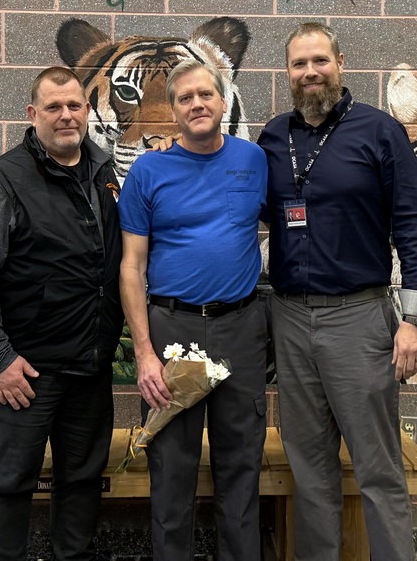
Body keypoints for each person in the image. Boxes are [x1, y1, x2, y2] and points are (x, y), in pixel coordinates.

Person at [258, 22, 417, 561]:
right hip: (289, 319)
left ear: (340, 62)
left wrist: (415, 321)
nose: (310, 72)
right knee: (309, 469)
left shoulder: (380, 131)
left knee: (377, 469)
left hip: (358, 319)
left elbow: (414, 227)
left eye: (320, 60)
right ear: (287, 72)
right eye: (299, 64)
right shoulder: (273, 137)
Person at [0, 66, 124, 561]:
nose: (65, 115)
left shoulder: (104, 171)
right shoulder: (1, 182)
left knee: (83, 479)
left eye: (74, 105)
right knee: (9, 483)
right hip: (25, 373)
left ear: (87, 110)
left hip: (89, 366)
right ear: (33, 114)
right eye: (53, 107)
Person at [118, 58, 268, 561]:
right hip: (172, 332)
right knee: (171, 470)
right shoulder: (148, 170)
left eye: (206, 94)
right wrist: (144, 353)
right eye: (185, 98)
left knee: (241, 468)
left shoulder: (254, 160)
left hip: (241, 328)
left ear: (223, 101)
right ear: (173, 111)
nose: (197, 104)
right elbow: (131, 267)